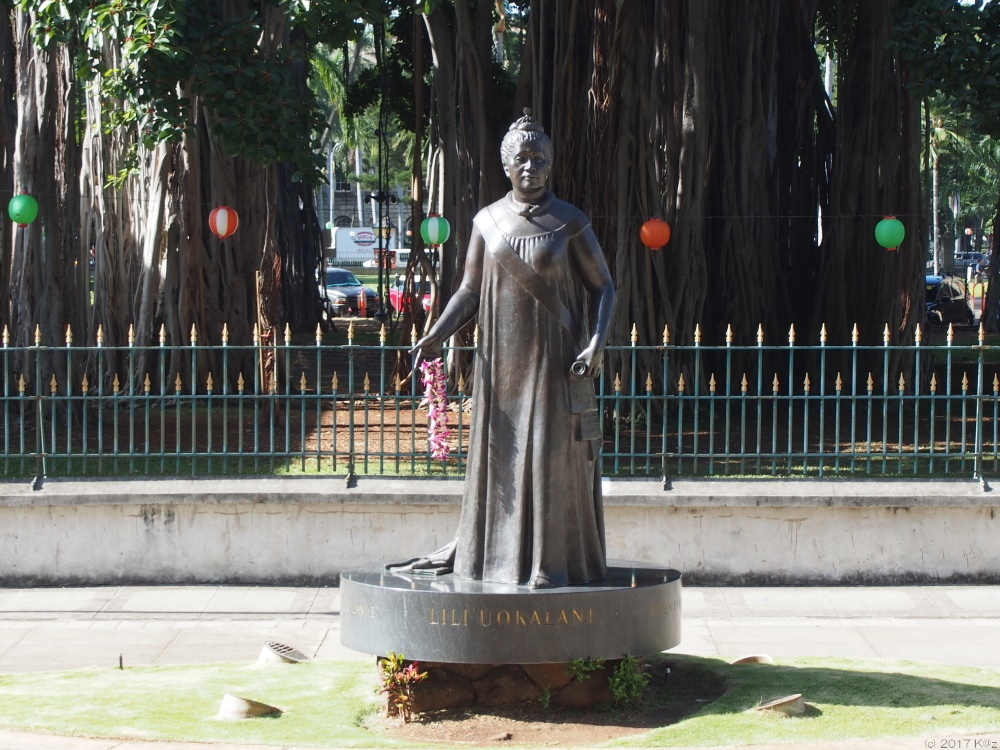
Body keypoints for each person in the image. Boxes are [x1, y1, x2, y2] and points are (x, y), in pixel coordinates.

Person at [398, 110, 616, 588]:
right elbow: (470, 291)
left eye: (541, 158)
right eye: (523, 158)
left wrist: (596, 344)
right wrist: (437, 331)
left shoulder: (570, 221)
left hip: (556, 362)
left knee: (549, 459)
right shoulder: (487, 221)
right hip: (501, 365)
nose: (533, 166)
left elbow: (604, 287)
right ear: (506, 165)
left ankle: (549, 565)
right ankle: (491, 561)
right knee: (501, 459)